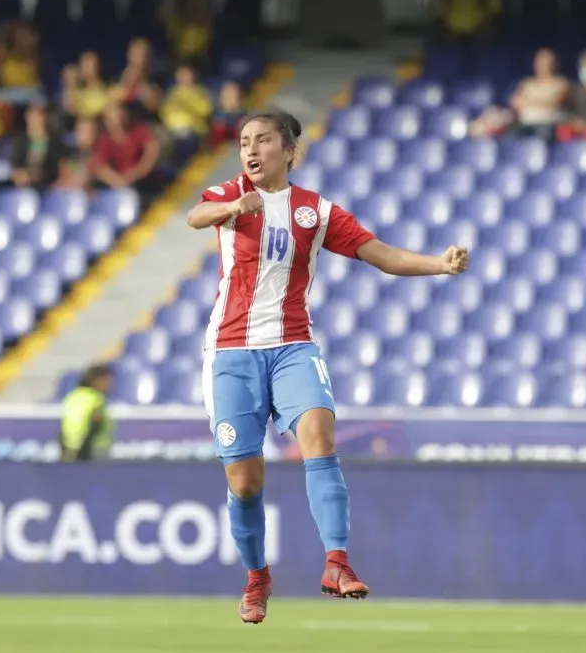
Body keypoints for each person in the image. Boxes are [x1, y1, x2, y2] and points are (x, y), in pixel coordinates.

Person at [186, 110, 469, 625]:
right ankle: (257, 578)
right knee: (245, 482)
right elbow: (195, 218)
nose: (251, 150)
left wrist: (438, 264)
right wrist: (232, 206)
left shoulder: (315, 212)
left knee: (319, 435)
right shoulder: (227, 194)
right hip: (230, 354)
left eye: (263, 140)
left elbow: (381, 254)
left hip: (294, 346)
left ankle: (336, 563)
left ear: (290, 151)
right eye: (244, 142)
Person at [90, 101, 160, 193]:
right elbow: (99, 167)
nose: (119, 116)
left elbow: (152, 150)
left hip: (146, 182)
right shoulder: (104, 141)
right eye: (113, 115)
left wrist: (138, 171)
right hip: (121, 188)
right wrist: (117, 180)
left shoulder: (139, 130)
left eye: (120, 112)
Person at [508, 48, 569, 141]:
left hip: (547, 124)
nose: (542, 65)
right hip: (526, 122)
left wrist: (529, 102)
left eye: (547, 63)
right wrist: (542, 101)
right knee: (510, 139)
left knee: (542, 138)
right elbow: (515, 102)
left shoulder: (561, 83)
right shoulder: (527, 83)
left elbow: (556, 102)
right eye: (539, 62)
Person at [59, 364, 115, 462]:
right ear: (95, 380)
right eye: (106, 380)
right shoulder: (96, 398)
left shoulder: (73, 396)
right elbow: (95, 422)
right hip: (94, 449)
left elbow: (64, 425)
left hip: (70, 448)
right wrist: (84, 449)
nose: (109, 384)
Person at [10, 100, 68, 189]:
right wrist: (24, 175)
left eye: (42, 114)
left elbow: (57, 169)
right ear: (28, 116)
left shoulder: (56, 144)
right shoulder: (20, 141)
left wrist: (40, 176)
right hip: (22, 185)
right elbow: (15, 165)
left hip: (46, 187)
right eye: (35, 114)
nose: (38, 118)